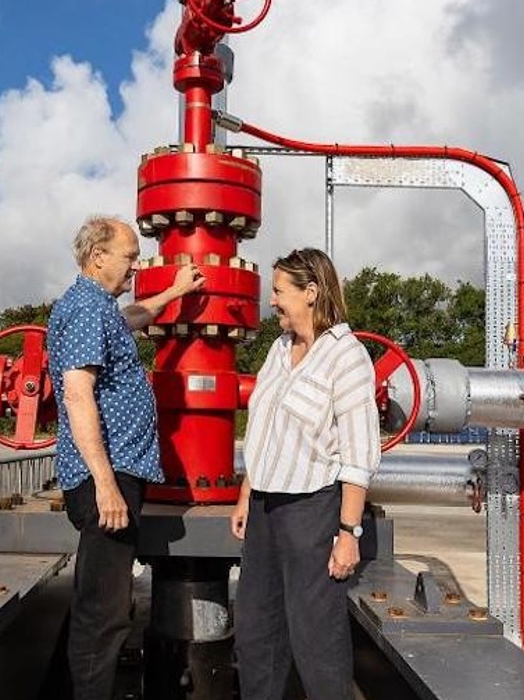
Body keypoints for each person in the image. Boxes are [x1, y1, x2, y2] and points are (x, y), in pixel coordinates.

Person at [47, 215, 204, 700]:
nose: (136, 266)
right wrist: (106, 485)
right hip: (107, 479)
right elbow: (78, 396)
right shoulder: (87, 311)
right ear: (98, 257)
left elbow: (131, 318)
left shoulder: (98, 307)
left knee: (103, 602)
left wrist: (174, 293)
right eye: (130, 256)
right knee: (104, 611)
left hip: (115, 474)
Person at [231, 247, 381, 700]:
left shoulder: (346, 356)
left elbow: (358, 453)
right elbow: (262, 430)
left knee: (315, 635)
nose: (272, 301)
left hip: (310, 510)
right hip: (264, 507)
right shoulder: (279, 350)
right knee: (255, 629)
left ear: (311, 292)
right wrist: (246, 494)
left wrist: (348, 532)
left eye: (279, 291)